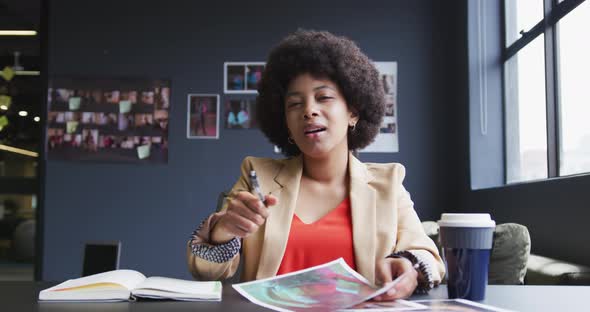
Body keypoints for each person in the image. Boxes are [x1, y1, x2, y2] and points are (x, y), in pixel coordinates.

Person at [187, 30, 445, 301]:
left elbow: (427, 256)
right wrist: (224, 230)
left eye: (324, 98)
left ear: (353, 112)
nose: (308, 110)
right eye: (295, 104)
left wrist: (410, 270)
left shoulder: (387, 183)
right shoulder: (257, 176)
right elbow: (206, 272)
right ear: (285, 122)